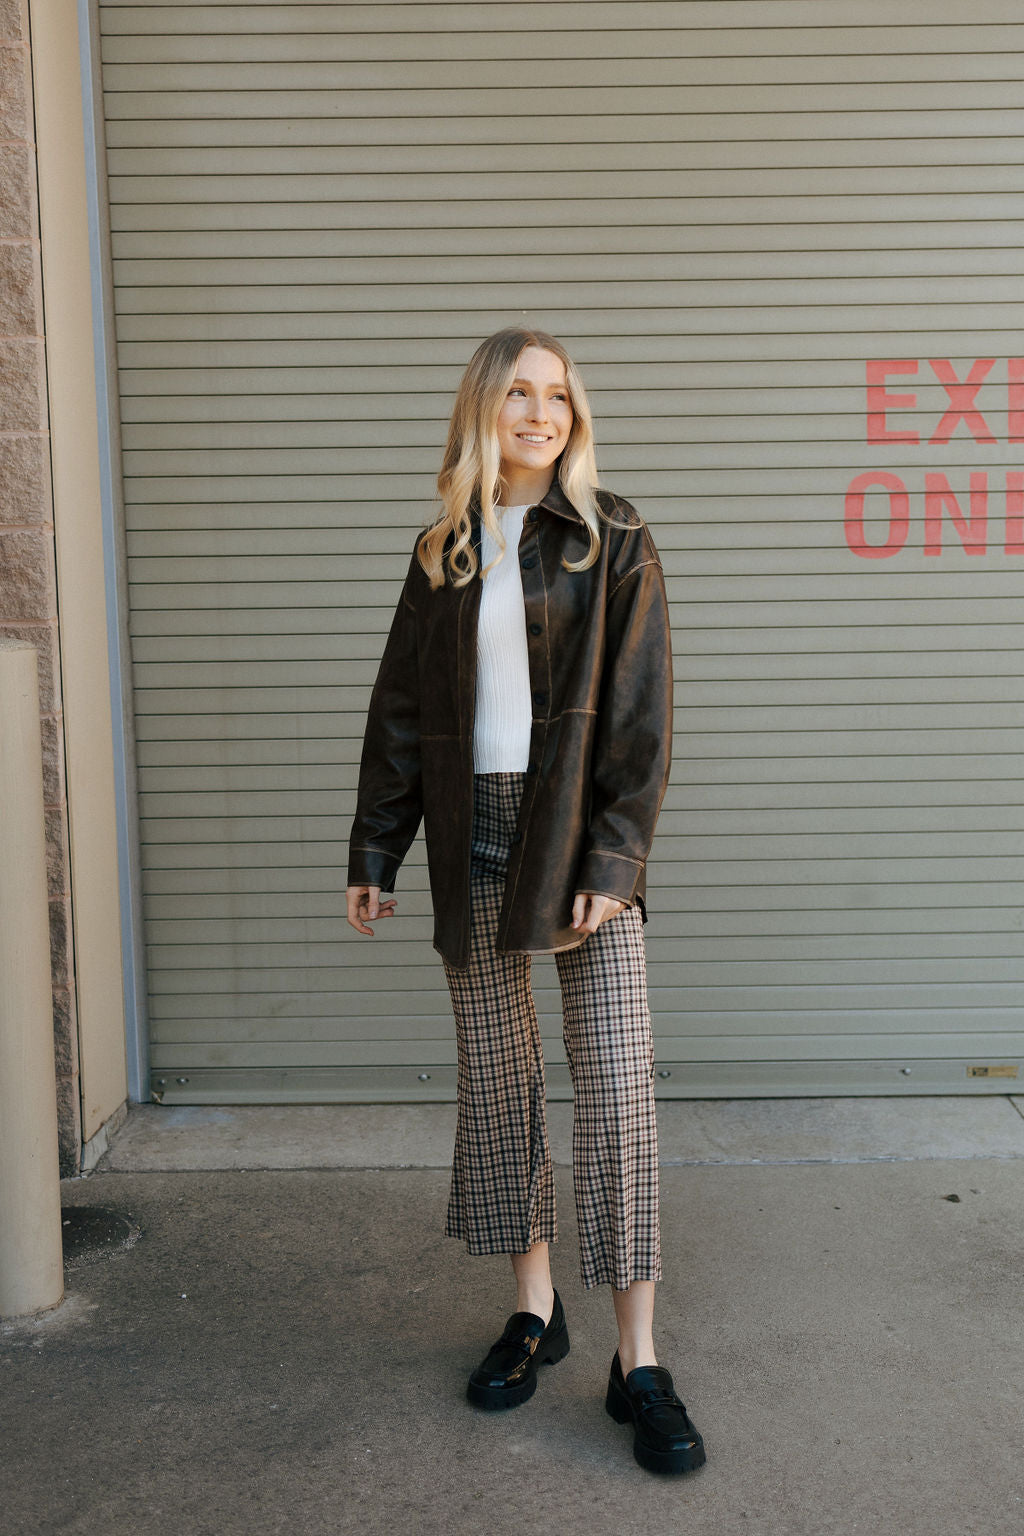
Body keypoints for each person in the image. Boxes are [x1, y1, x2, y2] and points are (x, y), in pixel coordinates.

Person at [346, 327, 705, 1476]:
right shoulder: (443, 548)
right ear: (482, 411)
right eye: (519, 394)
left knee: (613, 1094)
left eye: (558, 396)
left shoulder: (617, 540)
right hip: (471, 833)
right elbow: (400, 711)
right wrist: (376, 845)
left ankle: (637, 1360)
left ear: (574, 416)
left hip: (575, 844)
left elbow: (641, 724)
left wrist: (614, 862)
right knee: (501, 1087)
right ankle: (535, 1313)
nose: (541, 413)